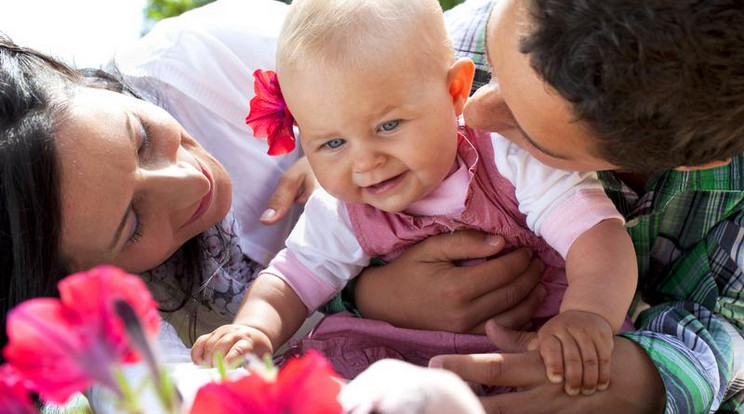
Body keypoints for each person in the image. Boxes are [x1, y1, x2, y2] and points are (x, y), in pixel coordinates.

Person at [191, 0, 637, 397]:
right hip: (407, 352)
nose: (365, 163)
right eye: (332, 144)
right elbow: (290, 279)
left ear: (455, 92)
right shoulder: (343, 206)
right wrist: (251, 329)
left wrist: (588, 316)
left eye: (388, 126)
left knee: (585, 388)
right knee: (323, 381)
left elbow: (595, 236)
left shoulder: (505, 155)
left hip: (536, 350)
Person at [351, 0, 744, 412]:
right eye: (494, 62)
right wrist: (369, 292)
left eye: (527, 132)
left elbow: (733, 324)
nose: (473, 112)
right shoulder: (445, 49)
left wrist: (649, 377)